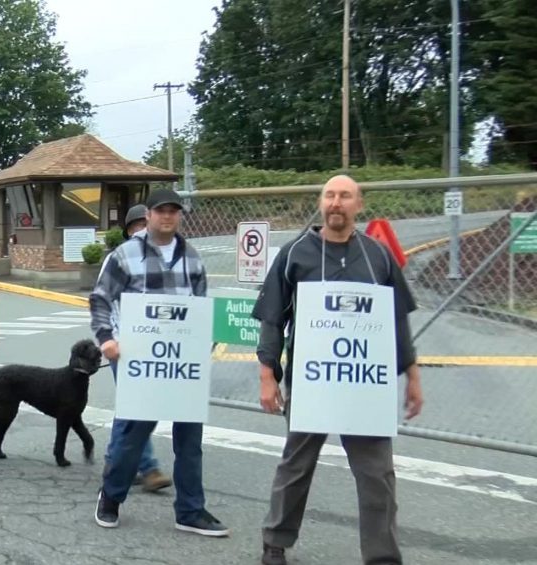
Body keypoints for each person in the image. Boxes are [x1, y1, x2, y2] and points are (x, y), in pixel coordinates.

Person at [253, 175, 424, 565]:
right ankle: (275, 542)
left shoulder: (378, 255)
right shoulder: (295, 252)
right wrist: (268, 375)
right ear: (320, 202)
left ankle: (382, 557)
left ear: (358, 205)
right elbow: (272, 319)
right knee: (295, 467)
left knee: (378, 476)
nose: (336, 202)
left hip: (365, 390)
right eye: (330, 195)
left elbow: (397, 321)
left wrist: (412, 376)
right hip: (313, 385)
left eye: (345, 196)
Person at [90, 188, 229, 536]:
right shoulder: (125, 256)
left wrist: (201, 346)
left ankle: (190, 510)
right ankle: (111, 498)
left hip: (181, 365)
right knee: (133, 435)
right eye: (160, 211)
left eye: (173, 211)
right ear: (148, 215)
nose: (167, 216)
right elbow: (100, 299)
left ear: (179, 216)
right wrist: (106, 338)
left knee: (189, 440)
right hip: (141, 361)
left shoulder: (193, 258)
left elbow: (200, 307)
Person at [100, 204, 172, 493]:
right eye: (138, 225)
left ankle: (114, 460)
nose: (145, 230)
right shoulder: (119, 259)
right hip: (126, 345)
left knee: (141, 405)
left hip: (162, 347)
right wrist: (109, 339)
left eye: (148, 223)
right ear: (129, 230)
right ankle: (148, 467)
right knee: (137, 405)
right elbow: (101, 299)